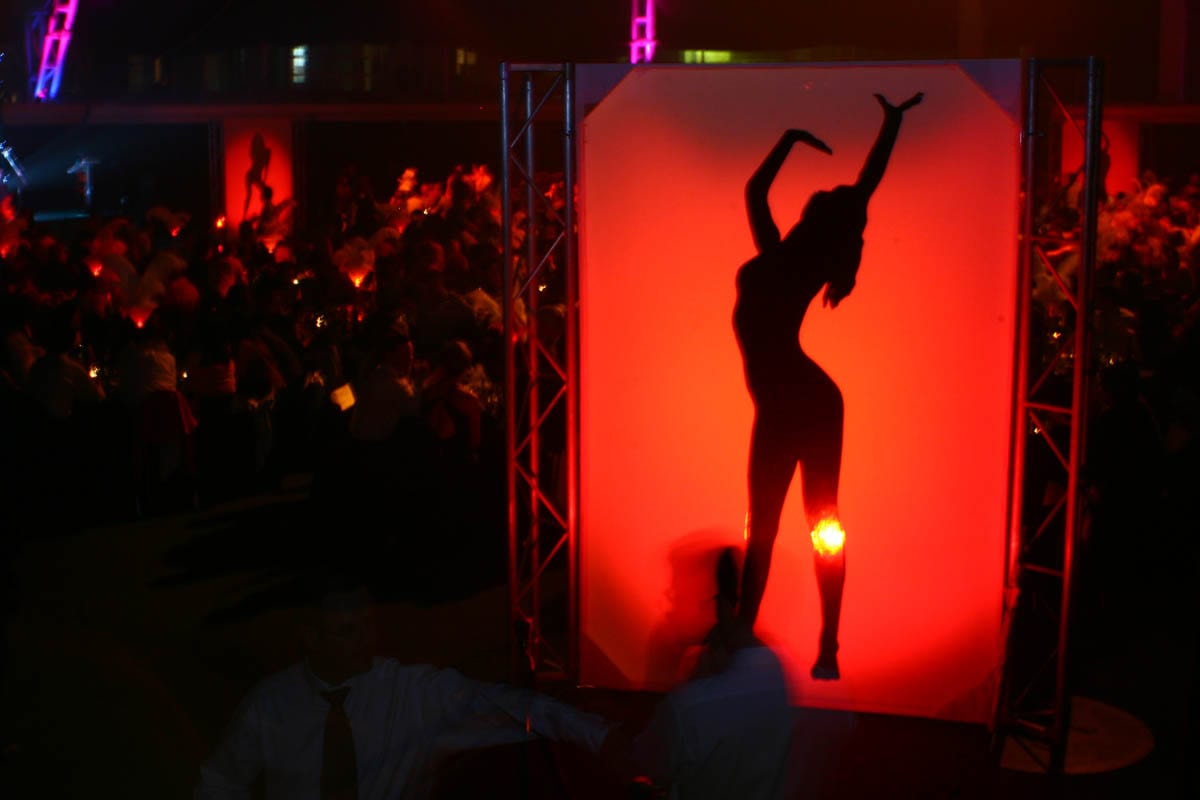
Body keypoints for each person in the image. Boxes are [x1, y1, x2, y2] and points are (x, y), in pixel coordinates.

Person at [733, 92, 923, 680]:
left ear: (818, 222)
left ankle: (827, 646)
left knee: (821, 522)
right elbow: (755, 191)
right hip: (789, 403)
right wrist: (788, 138)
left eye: (819, 205)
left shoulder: (797, 264)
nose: (812, 202)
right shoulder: (778, 254)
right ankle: (746, 636)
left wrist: (891, 126)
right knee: (769, 523)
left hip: (806, 403)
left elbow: (864, 188)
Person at [195, 574, 615, 800]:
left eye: (368, 626)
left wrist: (603, 736)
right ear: (311, 638)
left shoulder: (409, 693)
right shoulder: (270, 706)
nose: (366, 641)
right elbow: (219, 783)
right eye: (347, 631)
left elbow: (504, 704)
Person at [617, 548, 793, 800]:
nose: (669, 602)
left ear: (717, 604)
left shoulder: (691, 703)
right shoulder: (775, 672)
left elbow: (643, 760)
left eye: (677, 591)